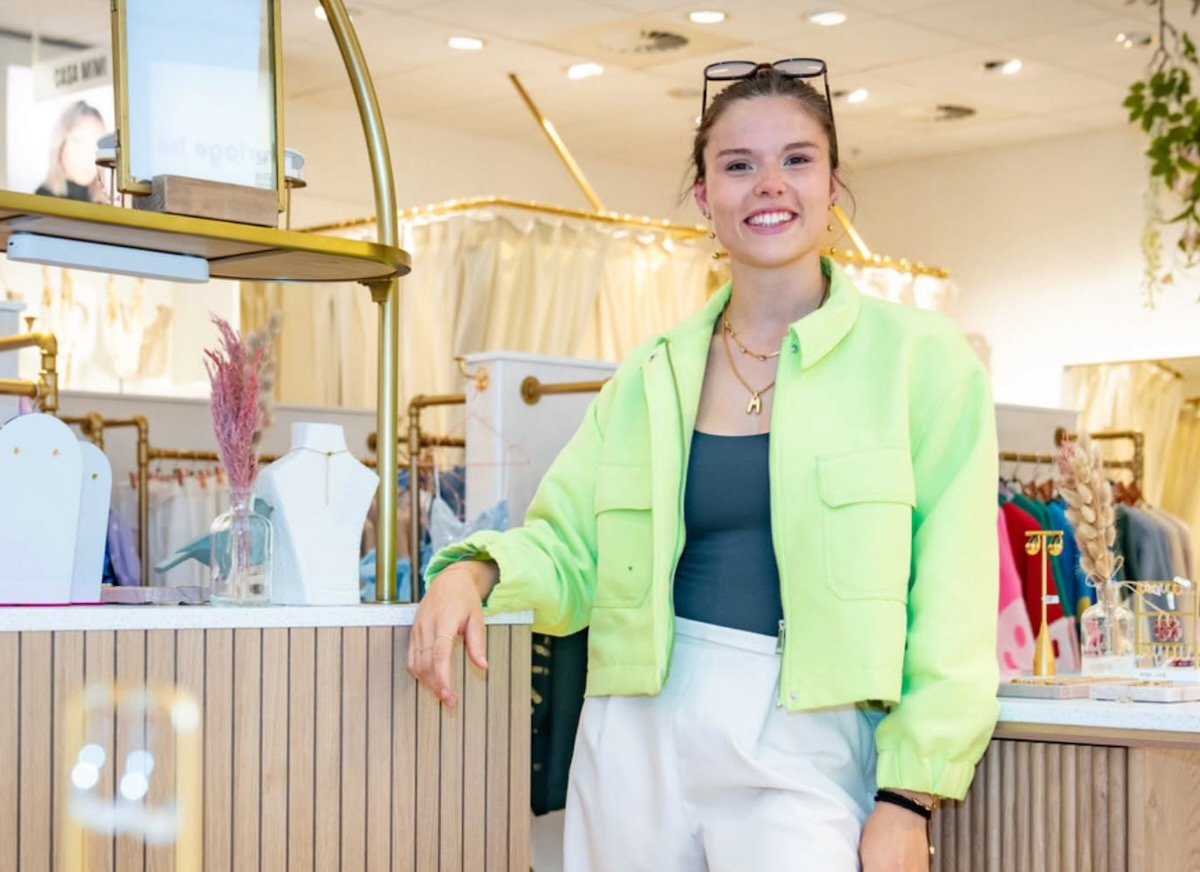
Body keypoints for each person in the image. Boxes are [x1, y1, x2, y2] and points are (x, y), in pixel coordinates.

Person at [409, 59, 999, 871]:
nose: (770, 185)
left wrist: (908, 798)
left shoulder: (922, 361)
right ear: (704, 197)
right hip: (634, 732)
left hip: (808, 738)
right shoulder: (650, 374)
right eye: (739, 164)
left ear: (833, 185)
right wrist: (472, 571)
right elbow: (568, 547)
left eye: (797, 159)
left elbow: (955, 601)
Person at [36, 100, 107, 203]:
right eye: (78, 140)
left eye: (97, 144)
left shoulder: (105, 206)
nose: (88, 155)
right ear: (60, 144)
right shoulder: (39, 204)